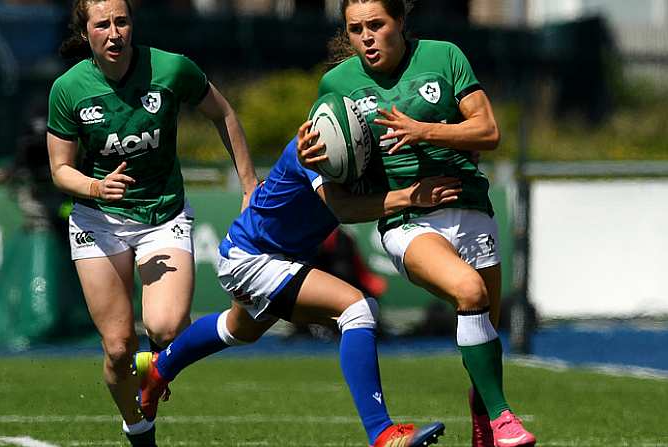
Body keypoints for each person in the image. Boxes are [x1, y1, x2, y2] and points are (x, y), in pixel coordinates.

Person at [303, 1, 538, 446]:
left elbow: (488, 131)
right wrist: (311, 156)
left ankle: (484, 417)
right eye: (356, 29)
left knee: (484, 327)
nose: (366, 37)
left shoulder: (444, 56)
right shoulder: (337, 85)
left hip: (471, 207)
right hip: (407, 222)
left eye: (377, 25)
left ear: (401, 22)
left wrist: (424, 130)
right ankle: (504, 416)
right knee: (469, 292)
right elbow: (335, 187)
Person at [133, 134, 461, 447]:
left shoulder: (365, 148)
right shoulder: (315, 146)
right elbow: (343, 209)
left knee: (238, 330)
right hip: (251, 257)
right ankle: (382, 432)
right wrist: (409, 196)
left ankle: (159, 370)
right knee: (358, 309)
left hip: (264, 255)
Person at [45, 0, 257, 445]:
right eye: (102, 24)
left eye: (121, 21)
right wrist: (95, 188)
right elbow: (60, 170)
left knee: (164, 328)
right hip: (98, 221)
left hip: (164, 216)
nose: (114, 32)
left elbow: (224, 114)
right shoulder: (68, 89)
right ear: (86, 33)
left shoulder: (172, 69)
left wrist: (249, 185)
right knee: (119, 348)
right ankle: (138, 428)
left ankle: (158, 366)